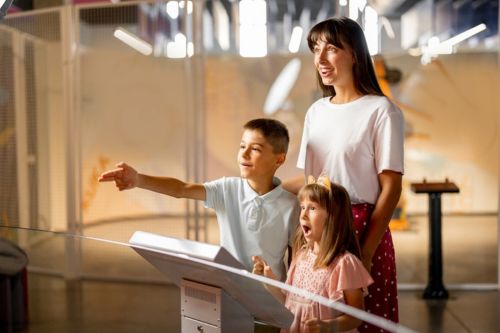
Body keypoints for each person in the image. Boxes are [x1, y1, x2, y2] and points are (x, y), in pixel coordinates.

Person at [283, 17, 404, 331]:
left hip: (362, 228)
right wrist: (264, 189)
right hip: (320, 228)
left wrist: (365, 251)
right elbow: (312, 182)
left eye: (332, 48)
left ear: (355, 54)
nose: (320, 59)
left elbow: (391, 188)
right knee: (314, 317)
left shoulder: (381, 110)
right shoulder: (316, 111)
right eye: (316, 49)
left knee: (364, 322)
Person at [98, 118, 299, 281]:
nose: (244, 154)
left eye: (255, 149)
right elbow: (181, 189)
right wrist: (138, 179)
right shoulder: (227, 189)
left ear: (279, 160)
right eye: (242, 146)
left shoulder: (291, 206)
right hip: (229, 293)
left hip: (270, 301)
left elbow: (297, 261)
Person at [253, 176, 373, 333]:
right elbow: (290, 305)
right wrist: (267, 281)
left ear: (333, 217)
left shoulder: (345, 264)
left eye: (312, 208)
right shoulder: (301, 257)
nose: (303, 215)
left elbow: (356, 316)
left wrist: (329, 326)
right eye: (302, 207)